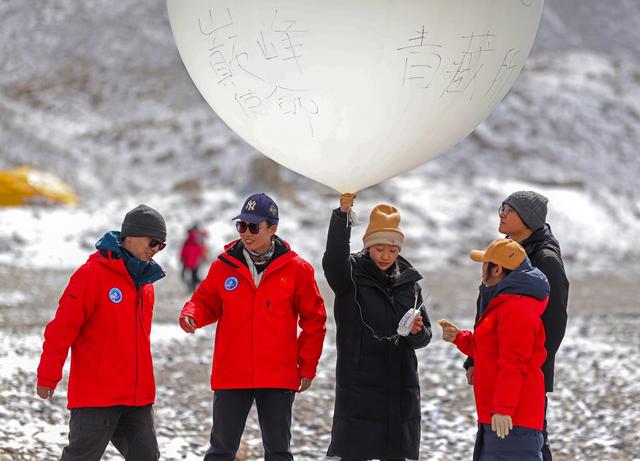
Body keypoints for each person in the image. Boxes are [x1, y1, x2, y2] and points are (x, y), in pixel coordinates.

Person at [179, 192, 327, 461]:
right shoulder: (223, 266)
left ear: (273, 228)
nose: (245, 233)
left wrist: (307, 365)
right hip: (231, 371)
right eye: (241, 225)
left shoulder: (298, 270)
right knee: (221, 450)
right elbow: (205, 302)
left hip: (277, 374)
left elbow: (314, 320)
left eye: (253, 226)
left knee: (278, 451)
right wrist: (192, 314)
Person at [36, 204, 167, 461]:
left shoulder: (146, 285)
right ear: (130, 235)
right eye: (152, 242)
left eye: (161, 245)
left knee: (147, 457)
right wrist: (48, 375)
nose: (155, 250)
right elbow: (61, 330)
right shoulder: (91, 275)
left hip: (136, 398)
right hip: (96, 396)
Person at [323, 193, 432, 461]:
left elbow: (425, 336)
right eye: (379, 248)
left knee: (395, 453)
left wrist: (418, 331)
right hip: (359, 382)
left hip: (399, 383)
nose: (386, 255)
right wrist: (342, 216)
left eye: (393, 250)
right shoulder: (350, 275)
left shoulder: (409, 283)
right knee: (353, 452)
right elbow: (333, 259)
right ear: (368, 246)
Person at [463, 190, 569, 460]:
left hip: (523, 369)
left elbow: (555, 321)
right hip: (496, 366)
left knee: (528, 440)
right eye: (502, 207)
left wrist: (530, 366)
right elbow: (485, 308)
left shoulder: (545, 259)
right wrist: (474, 359)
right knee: (499, 441)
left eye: (509, 209)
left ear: (528, 219)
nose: (501, 213)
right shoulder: (504, 251)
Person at [439, 238, 549, 461]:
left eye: (485, 264)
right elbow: (490, 350)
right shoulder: (504, 304)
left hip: (512, 420)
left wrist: (503, 409)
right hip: (498, 415)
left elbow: (513, 363)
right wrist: (459, 338)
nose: (482, 271)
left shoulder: (515, 309)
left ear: (497, 269)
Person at [180, 223, 208, 292]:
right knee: (193, 276)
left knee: (187, 276)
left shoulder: (191, 240)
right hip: (194, 262)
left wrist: (182, 258)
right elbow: (201, 250)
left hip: (189, 261)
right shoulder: (197, 240)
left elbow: (184, 250)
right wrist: (203, 257)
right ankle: (199, 286)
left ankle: (194, 287)